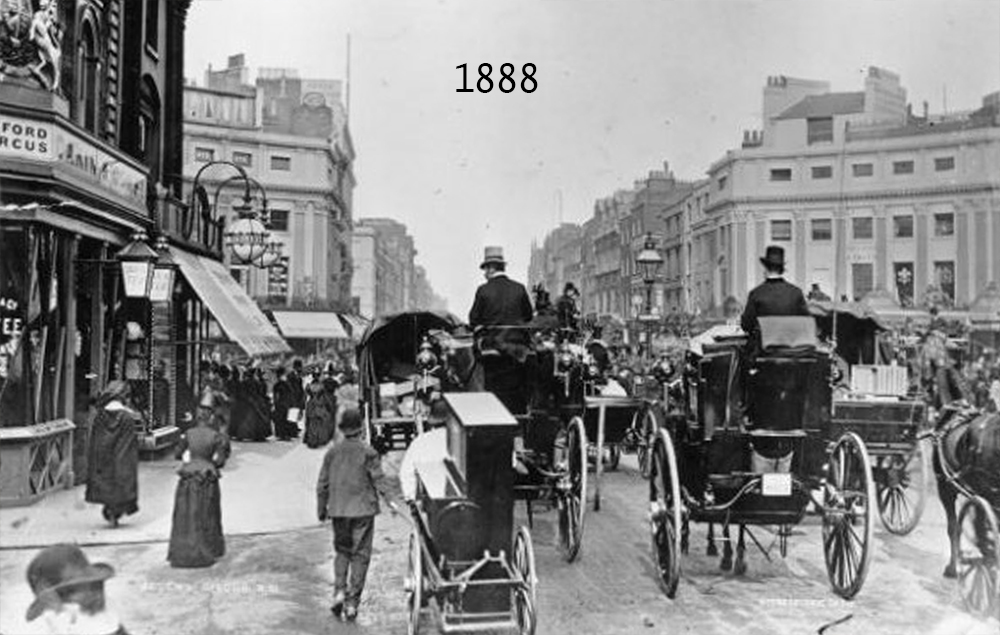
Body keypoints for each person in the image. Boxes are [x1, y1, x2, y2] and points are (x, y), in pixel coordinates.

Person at [316, 408, 396, 622]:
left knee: (342, 552)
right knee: (360, 555)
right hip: (363, 511)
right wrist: (391, 501)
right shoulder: (368, 452)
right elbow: (379, 479)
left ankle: (339, 591)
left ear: (342, 430)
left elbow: (322, 484)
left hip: (339, 511)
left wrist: (321, 509)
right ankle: (352, 603)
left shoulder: (332, 453)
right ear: (361, 429)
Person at [468, 246, 534, 413]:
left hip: (493, 351)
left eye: (485, 269)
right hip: (518, 351)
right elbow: (528, 316)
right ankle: (520, 414)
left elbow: (473, 320)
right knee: (518, 389)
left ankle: (494, 415)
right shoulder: (519, 288)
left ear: (491, 268)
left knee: (493, 389)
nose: (485, 273)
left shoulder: (483, 290)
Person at [166, 408, 229, 568]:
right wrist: (210, 463)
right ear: (210, 419)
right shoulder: (216, 436)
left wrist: (189, 459)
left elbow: (177, 453)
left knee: (186, 512)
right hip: (207, 476)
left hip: (188, 476)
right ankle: (209, 548)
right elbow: (220, 460)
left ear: (196, 418)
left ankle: (184, 549)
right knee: (207, 513)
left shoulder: (188, 433)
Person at [17, 544, 127, 635]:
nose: (93, 595)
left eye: (94, 587)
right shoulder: (53, 623)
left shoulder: (107, 618)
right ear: (51, 600)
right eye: (74, 590)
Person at [85, 381, 140, 528]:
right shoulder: (127, 418)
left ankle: (110, 511)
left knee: (107, 486)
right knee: (118, 486)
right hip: (121, 461)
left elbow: (96, 442)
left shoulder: (100, 417)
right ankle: (116, 512)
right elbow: (127, 445)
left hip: (103, 461)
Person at [740, 245, 810, 353]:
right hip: (792, 351)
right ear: (782, 269)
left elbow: (746, 325)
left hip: (764, 352)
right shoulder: (796, 293)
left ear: (766, 268)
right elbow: (806, 323)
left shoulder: (756, 293)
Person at [271, 366, 296, 441]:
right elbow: (291, 394)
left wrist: (275, 404)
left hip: (281, 404)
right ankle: (286, 434)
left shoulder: (277, 385)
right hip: (286, 403)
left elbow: (276, 396)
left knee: (281, 419)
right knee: (286, 419)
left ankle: (282, 434)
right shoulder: (286, 384)